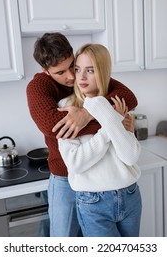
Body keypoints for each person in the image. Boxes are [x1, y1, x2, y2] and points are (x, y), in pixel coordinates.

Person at [26, 32, 138, 237]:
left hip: (103, 182)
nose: (71, 76)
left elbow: (129, 97)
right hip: (64, 176)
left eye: (72, 66)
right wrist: (113, 121)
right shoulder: (39, 86)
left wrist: (86, 114)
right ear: (45, 71)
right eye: (61, 72)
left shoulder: (83, 75)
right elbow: (56, 126)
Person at [58, 43, 142, 237]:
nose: (81, 77)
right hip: (93, 202)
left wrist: (108, 111)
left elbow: (130, 156)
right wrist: (110, 124)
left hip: (130, 196)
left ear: (103, 72)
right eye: (77, 69)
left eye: (90, 70)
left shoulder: (117, 103)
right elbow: (76, 163)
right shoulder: (67, 108)